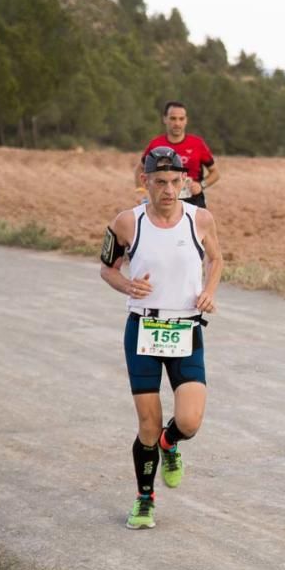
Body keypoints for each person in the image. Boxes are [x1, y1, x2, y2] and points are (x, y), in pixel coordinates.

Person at [102, 146, 223, 529]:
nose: (168, 190)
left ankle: (171, 445)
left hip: (186, 328)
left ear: (185, 181)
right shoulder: (127, 222)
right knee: (148, 425)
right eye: (159, 182)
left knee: (189, 421)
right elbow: (107, 268)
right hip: (143, 329)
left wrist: (209, 291)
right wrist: (126, 285)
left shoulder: (200, 219)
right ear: (145, 182)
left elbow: (216, 260)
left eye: (175, 182)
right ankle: (144, 498)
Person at [134, 101, 220, 208]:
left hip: (193, 200)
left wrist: (201, 185)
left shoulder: (197, 143)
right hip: (163, 199)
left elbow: (215, 173)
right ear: (165, 119)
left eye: (181, 119)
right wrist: (140, 190)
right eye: (173, 118)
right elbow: (140, 168)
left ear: (186, 120)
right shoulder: (156, 144)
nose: (177, 123)